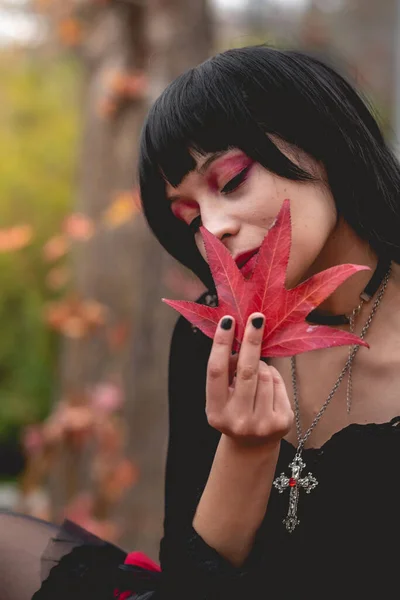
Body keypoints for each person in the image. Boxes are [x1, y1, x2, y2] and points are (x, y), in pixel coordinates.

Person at [1, 44, 400, 599]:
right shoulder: (213, 338)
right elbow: (191, 585)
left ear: (322, 140)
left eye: (231, 181)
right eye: (188, 219)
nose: (213, 228)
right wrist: (246, 447)